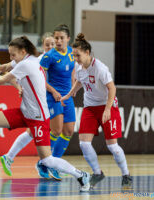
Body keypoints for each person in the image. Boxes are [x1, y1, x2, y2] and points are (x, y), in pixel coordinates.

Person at [0, 36, 91, 192]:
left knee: (47, 159)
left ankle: (81, 175)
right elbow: (5, 66)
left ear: (22, 51)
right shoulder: (24, 60)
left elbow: (1, 80)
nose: (11, 58)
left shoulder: (27, 65)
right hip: (24, 112)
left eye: (13, 54)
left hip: (38, 117)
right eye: (10, 54)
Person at [0, 25, 76, 180]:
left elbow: (72, 70)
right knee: (52, 130)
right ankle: (46, 163)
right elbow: (18, 69)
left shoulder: (70, 53)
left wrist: (73, 86)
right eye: (49, 43)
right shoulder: (44, 58)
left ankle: (41, 161)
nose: (53, 45)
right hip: (49, 97)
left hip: (66, 98)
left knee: (67, 131)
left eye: (55, 41)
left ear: (67, 39)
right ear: (43, 46)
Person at [61, 33, 132, 189]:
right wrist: (70, 92)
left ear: (87, 53)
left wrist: (107, 109)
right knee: (84, 144)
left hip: (107, 106)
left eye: (77, 55)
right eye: (73, 56)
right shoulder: (78, 67)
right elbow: (80, 80)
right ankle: (97, 173)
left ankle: (126, 175)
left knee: (112, 146)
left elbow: (112, 88)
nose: (75, 58)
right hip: (90, 108)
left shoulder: (100, 68)